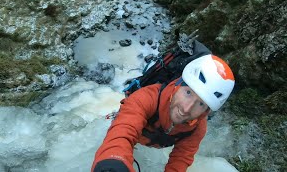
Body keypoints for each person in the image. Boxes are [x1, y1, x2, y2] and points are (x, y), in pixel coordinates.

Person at [91, 54, 235, 172]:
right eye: (188, 92)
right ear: (178, 85)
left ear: (206, 111)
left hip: (147, 142)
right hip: (125, 134)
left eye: (201, 103)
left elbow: (181, 159)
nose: (186, 109)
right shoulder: (146, 97)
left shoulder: (197, 127)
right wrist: (112, 163)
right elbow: (122, 132)